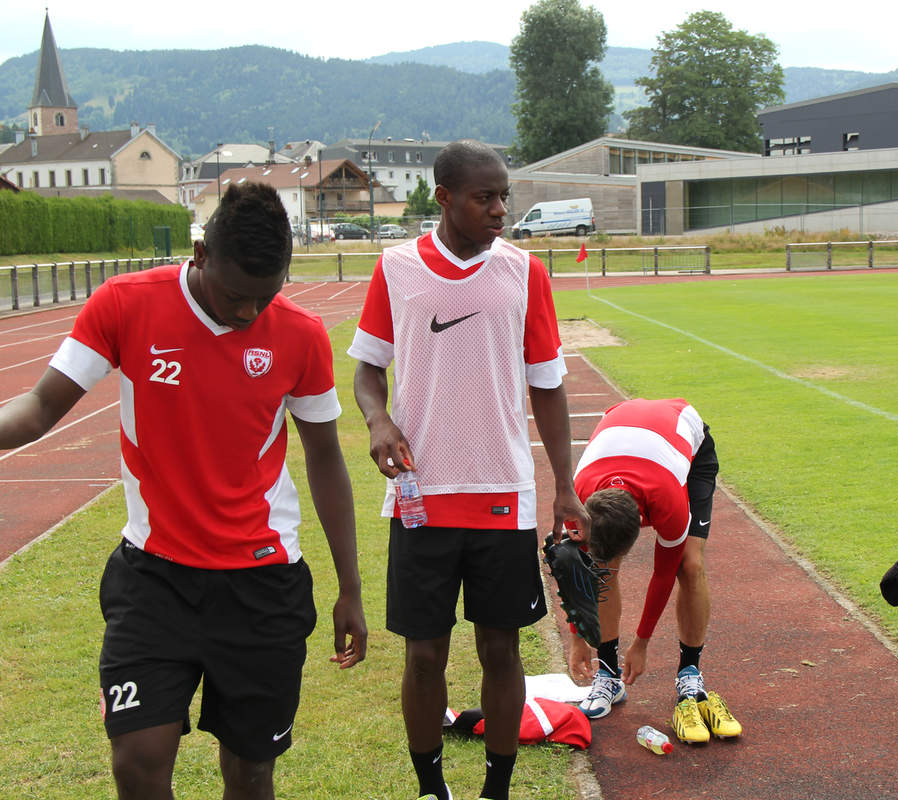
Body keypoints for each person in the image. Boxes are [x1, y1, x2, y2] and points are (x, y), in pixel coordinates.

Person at [0, 181, 368, 800]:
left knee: (251, 772)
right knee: (138, 762)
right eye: (234, 295)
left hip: (262, 584)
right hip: (154, 580)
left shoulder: (299, 335)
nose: (249, 313)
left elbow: (326, 457)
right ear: (200, 254)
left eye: (265, 295)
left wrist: (350, 589)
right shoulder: (127, 303)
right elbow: (38, 407)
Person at [347, 139, 588, 800]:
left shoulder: (525, 272)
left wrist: (565, 484)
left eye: (504, 195)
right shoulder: (396, 268)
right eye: (485, 197)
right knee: (424, 656)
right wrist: (377, 420)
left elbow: (548, 385)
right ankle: (431, 789)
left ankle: (497, 790)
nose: (500, 209)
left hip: (502, 496)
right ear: (444, 197)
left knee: (501, 650)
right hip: (420, 499)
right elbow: (367, 367)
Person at [566, 397, 742, 745]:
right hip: (625, 430)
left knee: (689, 566)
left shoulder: (667, 499)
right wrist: (576, 637)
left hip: (685, 441)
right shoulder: (577, 502)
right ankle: (609, 675)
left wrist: (642, 643)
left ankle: (690, 671)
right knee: (603, 569)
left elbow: (663, 575)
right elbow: (576, 573)